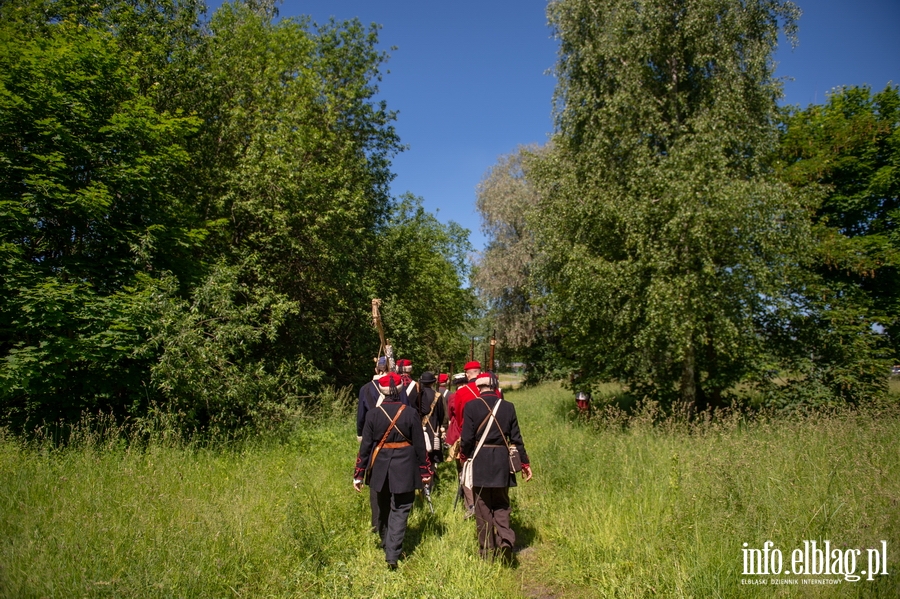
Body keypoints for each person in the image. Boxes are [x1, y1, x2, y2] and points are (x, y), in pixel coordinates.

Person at [354, 372, 432, 569]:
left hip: (380, 468)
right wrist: (425, 471)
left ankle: (387, 545)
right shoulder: (411, 413)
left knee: (384, 507)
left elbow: (365, 448)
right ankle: (392, 551)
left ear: (380, 390)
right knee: (401, 509)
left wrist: (359, 474)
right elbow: (420, 445)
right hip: (405, 467)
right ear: (400, 390)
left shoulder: (372, 414)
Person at [460, 372, 533, 562]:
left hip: (480, 460)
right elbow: (516, 439)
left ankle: (487, 552)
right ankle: (506, 541)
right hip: (501, 460)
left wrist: (464, 456)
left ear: (478, 387)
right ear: (495, 386)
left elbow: (467, 438)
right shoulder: (508, 407)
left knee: (482, 507)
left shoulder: (471, 406)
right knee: (501, 504)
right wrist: (525, 463)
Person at [416, 371, 445, 490]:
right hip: (432, 430)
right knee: (431, 459)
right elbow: (441, 415)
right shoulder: (437, 396)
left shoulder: (417, 395)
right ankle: (429, 484)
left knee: (419, 457)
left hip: (418, 430)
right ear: (433, 383)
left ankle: (419, 484)